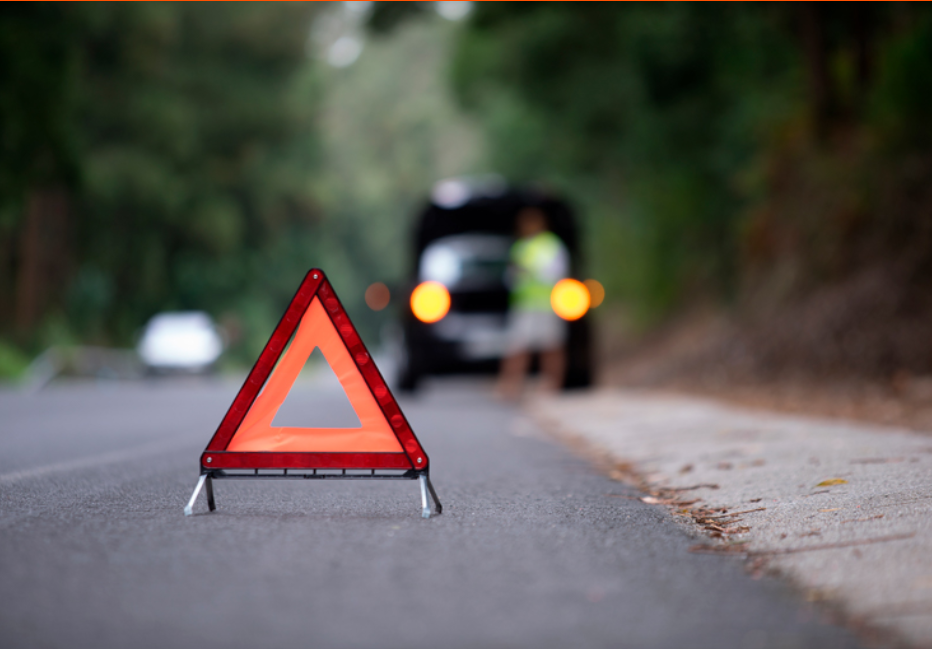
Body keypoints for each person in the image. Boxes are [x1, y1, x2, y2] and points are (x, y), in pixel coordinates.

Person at [497, 207, 569, 399]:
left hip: (547, 304)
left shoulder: (551, 245)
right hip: (524, 305)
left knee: (551, 346)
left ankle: (553, 386)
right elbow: (511, 277)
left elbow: (557, 273)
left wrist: (530, 271)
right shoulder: (520, 247)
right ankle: (510, 385)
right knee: (517, 346)